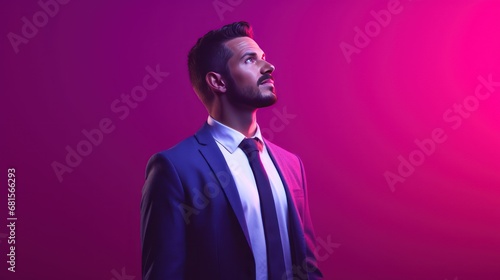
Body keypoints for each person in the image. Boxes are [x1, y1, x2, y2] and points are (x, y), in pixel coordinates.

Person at [140, 21, 323, 280]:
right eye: (250, 60)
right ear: (217, 81)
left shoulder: (291, 164)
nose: (269, 67)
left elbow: (308, 267)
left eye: (263, 58)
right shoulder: (174, 168)